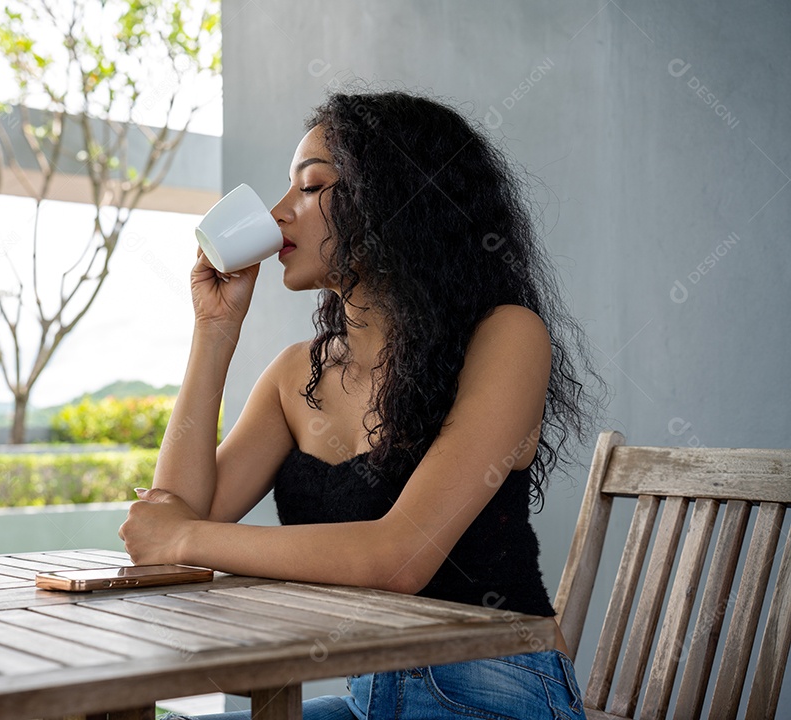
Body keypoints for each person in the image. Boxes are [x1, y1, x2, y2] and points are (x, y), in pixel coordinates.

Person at [118, 89, 603, 720]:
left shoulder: (507, 336)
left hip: (493, 687)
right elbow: (177, 513)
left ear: (396, 201)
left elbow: (396, 557)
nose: (278, 214)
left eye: (312, 187)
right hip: (365, 695)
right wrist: (214, 333)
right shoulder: (299, 374)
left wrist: (183, 537)